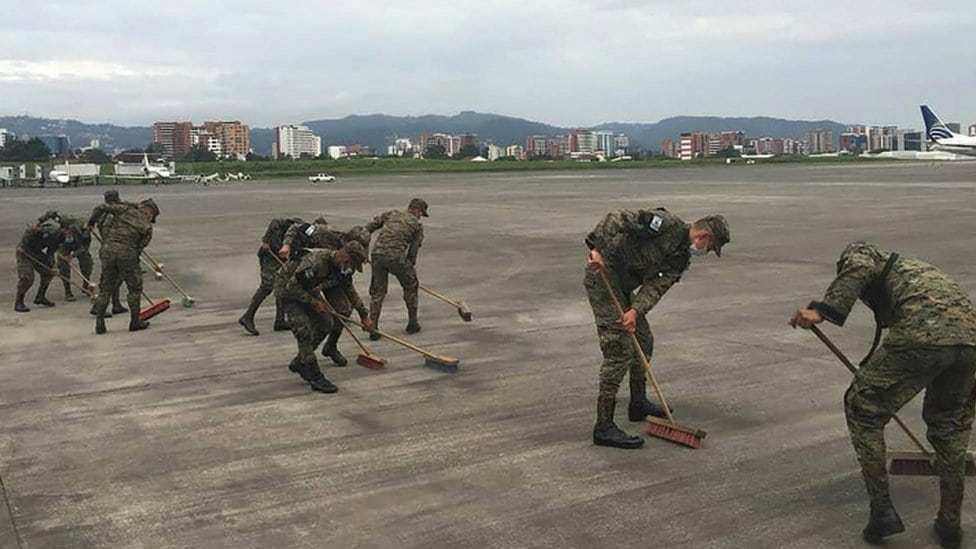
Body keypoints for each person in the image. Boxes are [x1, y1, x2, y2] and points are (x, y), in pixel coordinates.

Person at [790, 242, 976, 548]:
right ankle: (950, 522)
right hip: (968, 343)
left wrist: (823, 310)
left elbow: (858, 266)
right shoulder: (917, 270)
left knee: (862, 408)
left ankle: (882, 513)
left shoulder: (862, 254)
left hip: (923, 335)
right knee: (950, 426)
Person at [584, 208, 729, 449]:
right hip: (603, 277)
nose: (706, 252)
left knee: (644, 341)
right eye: (710, 247)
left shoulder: (680, 258)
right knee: (619, 350)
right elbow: (617, 218)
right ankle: (603, 426)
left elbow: (655, 287)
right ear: (703, 236)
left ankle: (637, 403)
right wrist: (596, 249)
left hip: (625, 289)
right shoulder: (664, 224)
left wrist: (635, 311)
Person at [275, 241, 369, 393]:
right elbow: (291, 288)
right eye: (350, 264)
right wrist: (313, 303)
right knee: (303, 330)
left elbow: (349, 289)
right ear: (344, 258)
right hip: (288, 291)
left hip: (308, 289)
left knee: (326, 323)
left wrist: (364, 315)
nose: (349, 268)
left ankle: (300, 361)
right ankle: (315, 376)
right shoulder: (316, 262)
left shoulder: (341, 268)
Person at [87, 198, 159, 334]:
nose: (150, 218)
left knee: (106, 288)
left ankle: (100, 323)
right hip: (127, 253)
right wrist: (132, 266)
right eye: (152, 215)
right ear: (149, 211)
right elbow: (139, 249)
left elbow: (100, 208)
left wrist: (91, 223)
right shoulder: (147, 227)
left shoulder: (124, 210)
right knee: (134, 289)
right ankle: (135, 321)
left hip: (107, 250)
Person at [365, 198, 427, 340]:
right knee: (410, 286)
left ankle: (373, 327)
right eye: (421, 213)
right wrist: (409, 268)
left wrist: (365, 249)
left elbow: (369, 227)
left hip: (377, 255)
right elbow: (413, 250)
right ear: (417, 210)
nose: (420, 217)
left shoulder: (391, 213)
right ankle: (412, 324)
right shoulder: (417, 225)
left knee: (378, 292)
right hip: (396, 257)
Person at [238, 217, 304, 335]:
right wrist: (266, 240)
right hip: (269, 257)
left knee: (282, 286)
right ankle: (247, 317)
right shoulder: (294, 226)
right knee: (267, 286)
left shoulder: (304, 237)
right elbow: (276, 222)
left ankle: (280, 321)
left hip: (281, 259)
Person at [318, 227, 374, 366]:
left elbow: (348, 287)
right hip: (309, 279)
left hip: (329, 280)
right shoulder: (325, 239)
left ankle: (330, 346)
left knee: (344, 310)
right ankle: (304, 358)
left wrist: (363, 315)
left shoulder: (350, 257)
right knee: (319, 320)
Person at [38, 211, 95, 302]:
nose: (67, 231)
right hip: (64, 245)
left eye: (69, 230)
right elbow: (51, 213)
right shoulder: (60, 227)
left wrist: (72, 256)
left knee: (87, 263)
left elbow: (84, 247)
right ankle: (67, 291)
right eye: (65, 229)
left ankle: (86, 283)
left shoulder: (83, 230)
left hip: (79, 245)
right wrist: (39, 222)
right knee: (63, 265)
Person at [90, 189, 128, 315]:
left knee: (116, 278)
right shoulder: (111, 215)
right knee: (109, 280)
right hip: (113, 249)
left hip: (109, 248)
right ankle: (98, 307)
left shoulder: (102, 212)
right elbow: (108, 232)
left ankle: (116, 305)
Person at [14, 218, 64, 312]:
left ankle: (40, 297)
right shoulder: (50, 230)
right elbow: (30, 230)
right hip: (25, 251)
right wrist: (23, 245)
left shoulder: (61, 238)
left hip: (37, 252)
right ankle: (19, 303)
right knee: (27, 278)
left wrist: (53, 266)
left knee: (48, 272)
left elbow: (50, 253)